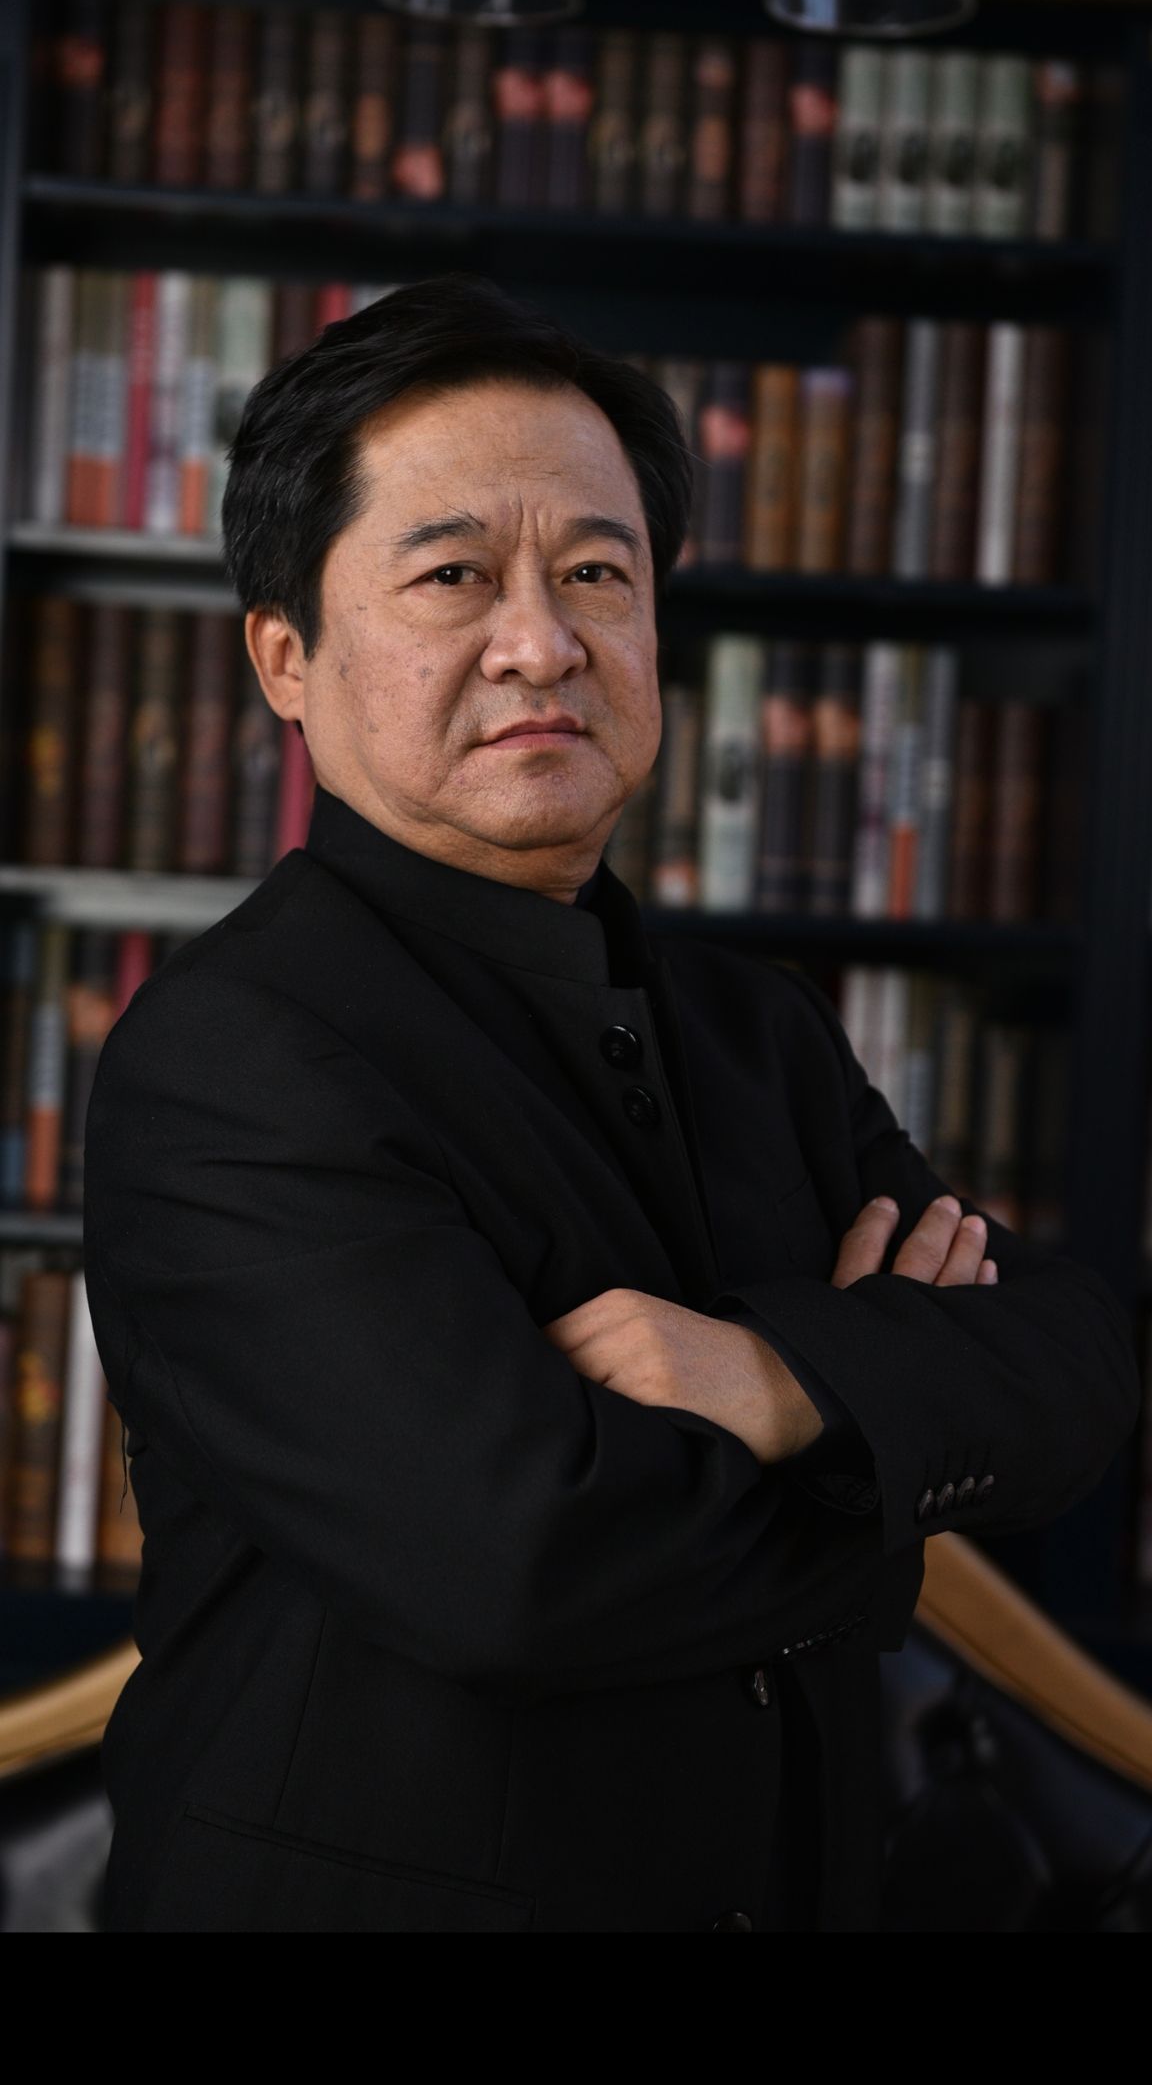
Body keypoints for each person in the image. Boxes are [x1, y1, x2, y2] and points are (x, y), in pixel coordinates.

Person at [83, 274, 1140, 1933]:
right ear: (287, 657)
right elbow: (521, 1564)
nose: (543, 642)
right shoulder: (229, 1058)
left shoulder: (758, 1028)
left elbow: (1076, 1368)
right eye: (454, 575)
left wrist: (772, 1379)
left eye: (596, 572)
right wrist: (887, 1451)